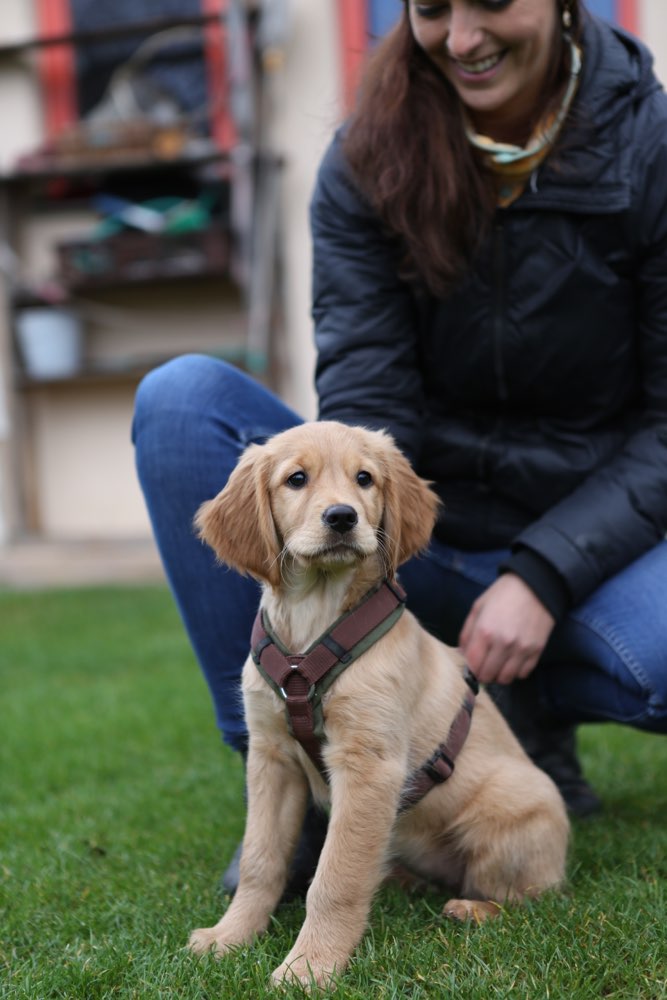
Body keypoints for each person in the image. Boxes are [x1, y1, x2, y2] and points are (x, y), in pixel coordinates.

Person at [133, 0, 667, 893]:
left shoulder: (650, 148)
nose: (461, 38)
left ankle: (521, 722)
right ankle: (295, 760)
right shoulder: (365, 155)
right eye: (430, 8)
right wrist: (363, 525)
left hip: (585, 544)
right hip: (404, 539)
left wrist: (544, 573)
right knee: (183, 398)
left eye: (492, 0)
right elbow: (368, 399)